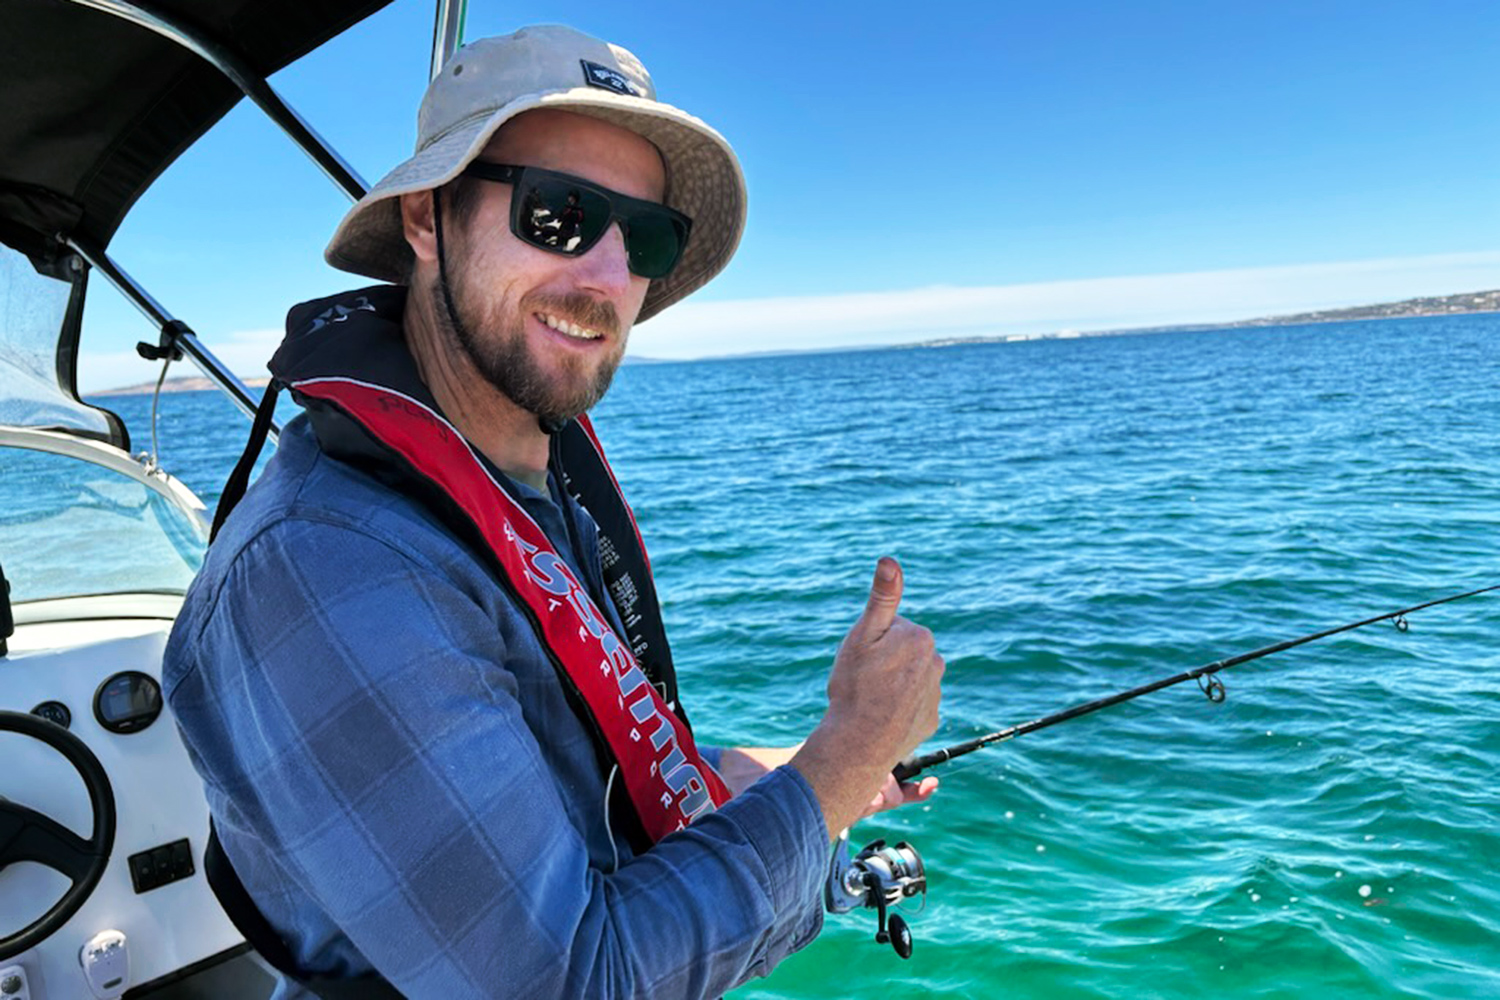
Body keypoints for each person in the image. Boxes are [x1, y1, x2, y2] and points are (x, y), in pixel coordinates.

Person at [163, 24, 945, 999]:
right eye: (560, 213)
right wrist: (840, 763)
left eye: (647, 238)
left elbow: (566, 777)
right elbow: (571, 981)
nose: (609, 279)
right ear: (425, 218)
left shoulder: (516, 483)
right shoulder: (328, 564)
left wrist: (786, 777)